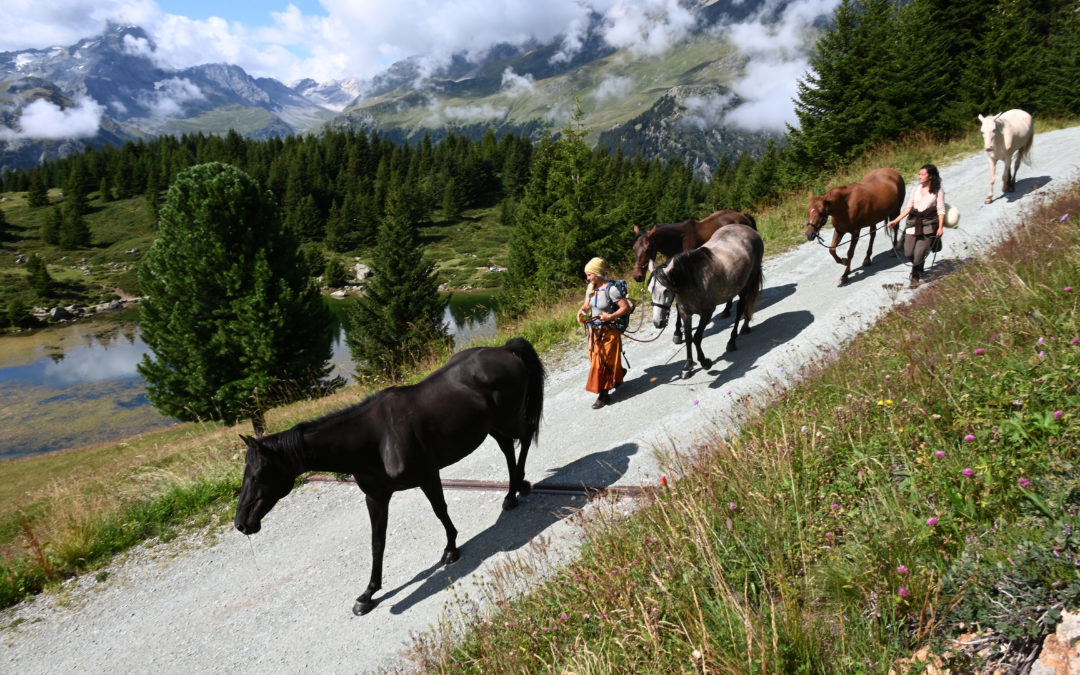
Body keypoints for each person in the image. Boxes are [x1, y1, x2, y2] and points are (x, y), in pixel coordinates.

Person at [576, 257, 630, 409]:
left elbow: (624, 307)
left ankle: (604, 395)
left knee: (602, 364)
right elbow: (587, 305)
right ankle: (619, 372)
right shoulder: (591, 288)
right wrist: (581, 311)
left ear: (597, 273)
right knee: (596, 360)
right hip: (594, 332)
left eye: (589, 274)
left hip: (609, 332)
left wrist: (610, 316)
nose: (587, 278)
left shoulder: (611, 290)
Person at [887, 164, 945, 288]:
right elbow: (908, 207)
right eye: (920, 174)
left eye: (923, 174)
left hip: (929, 225)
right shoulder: (915, 190)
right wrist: (896, 220)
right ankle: (919, 266)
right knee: (908, 253)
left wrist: (940, 227)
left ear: (931, 176)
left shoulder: (938, 191)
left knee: (919, 253)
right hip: (913, 224)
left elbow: (941, 210)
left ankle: (915, 276)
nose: (920, 176)